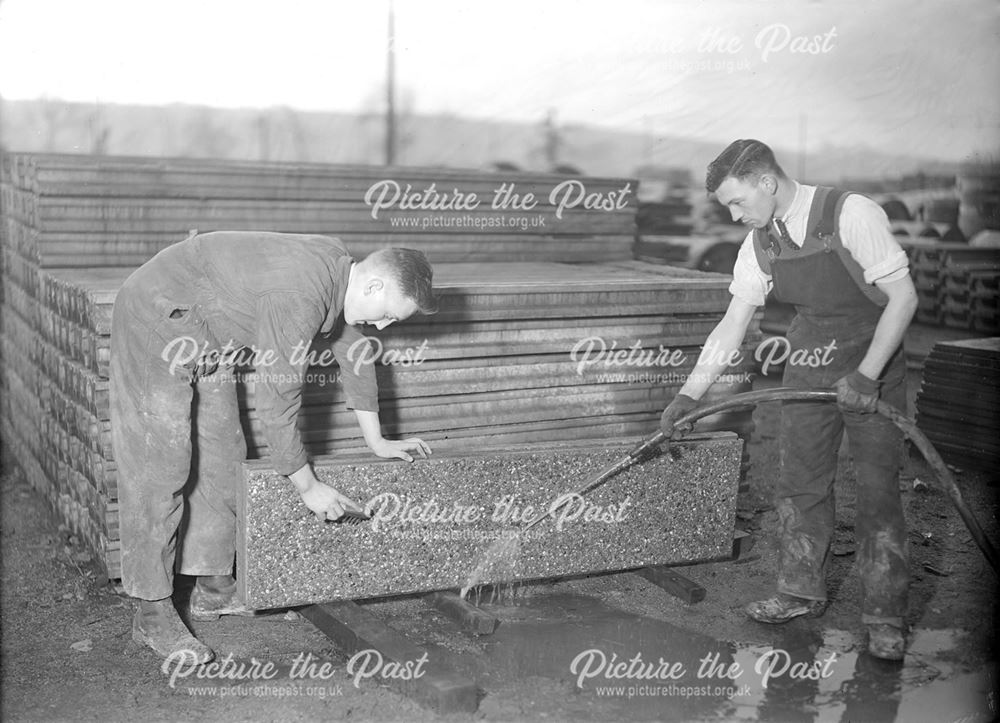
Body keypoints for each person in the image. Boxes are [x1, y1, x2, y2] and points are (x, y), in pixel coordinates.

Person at [110, 231, 438, 664]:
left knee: (223, 453)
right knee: (161, 465)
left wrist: (377, 441)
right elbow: (278, 401)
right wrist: (308, 487)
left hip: (209, 329)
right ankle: (151, 612)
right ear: (375, 286)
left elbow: (354, 349)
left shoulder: (340, 267)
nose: (382, 327)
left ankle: (212, 586)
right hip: (158, 316)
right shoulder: (299, 294)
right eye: (388, 316)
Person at [659, 140, 918, 661]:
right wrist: (690, 393)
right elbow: (734, 323)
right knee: (800, 480)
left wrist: (867, 376)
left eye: (737, 202)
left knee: (877, 489)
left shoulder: (851, 213)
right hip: (810, 356)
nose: (735, 216)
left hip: (875, 356)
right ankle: (799, 591)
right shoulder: (760, 241)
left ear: (767, 182)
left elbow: (903, 298)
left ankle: (885, 616)